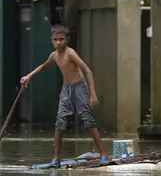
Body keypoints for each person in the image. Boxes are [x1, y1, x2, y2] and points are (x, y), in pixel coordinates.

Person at [20, 24, 109, 168]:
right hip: (66, 90)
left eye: (61, 39)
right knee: (60, 121)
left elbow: (88, 71)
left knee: (88, 120)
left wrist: (92, 94)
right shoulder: (54, 55)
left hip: (80, 87)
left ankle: (103, 154)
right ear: (51, 40)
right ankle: (56, 158)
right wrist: (29, 76)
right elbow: (44, 66)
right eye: (55, 39)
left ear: (67, 39)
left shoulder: (71, 53)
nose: (58, 42)